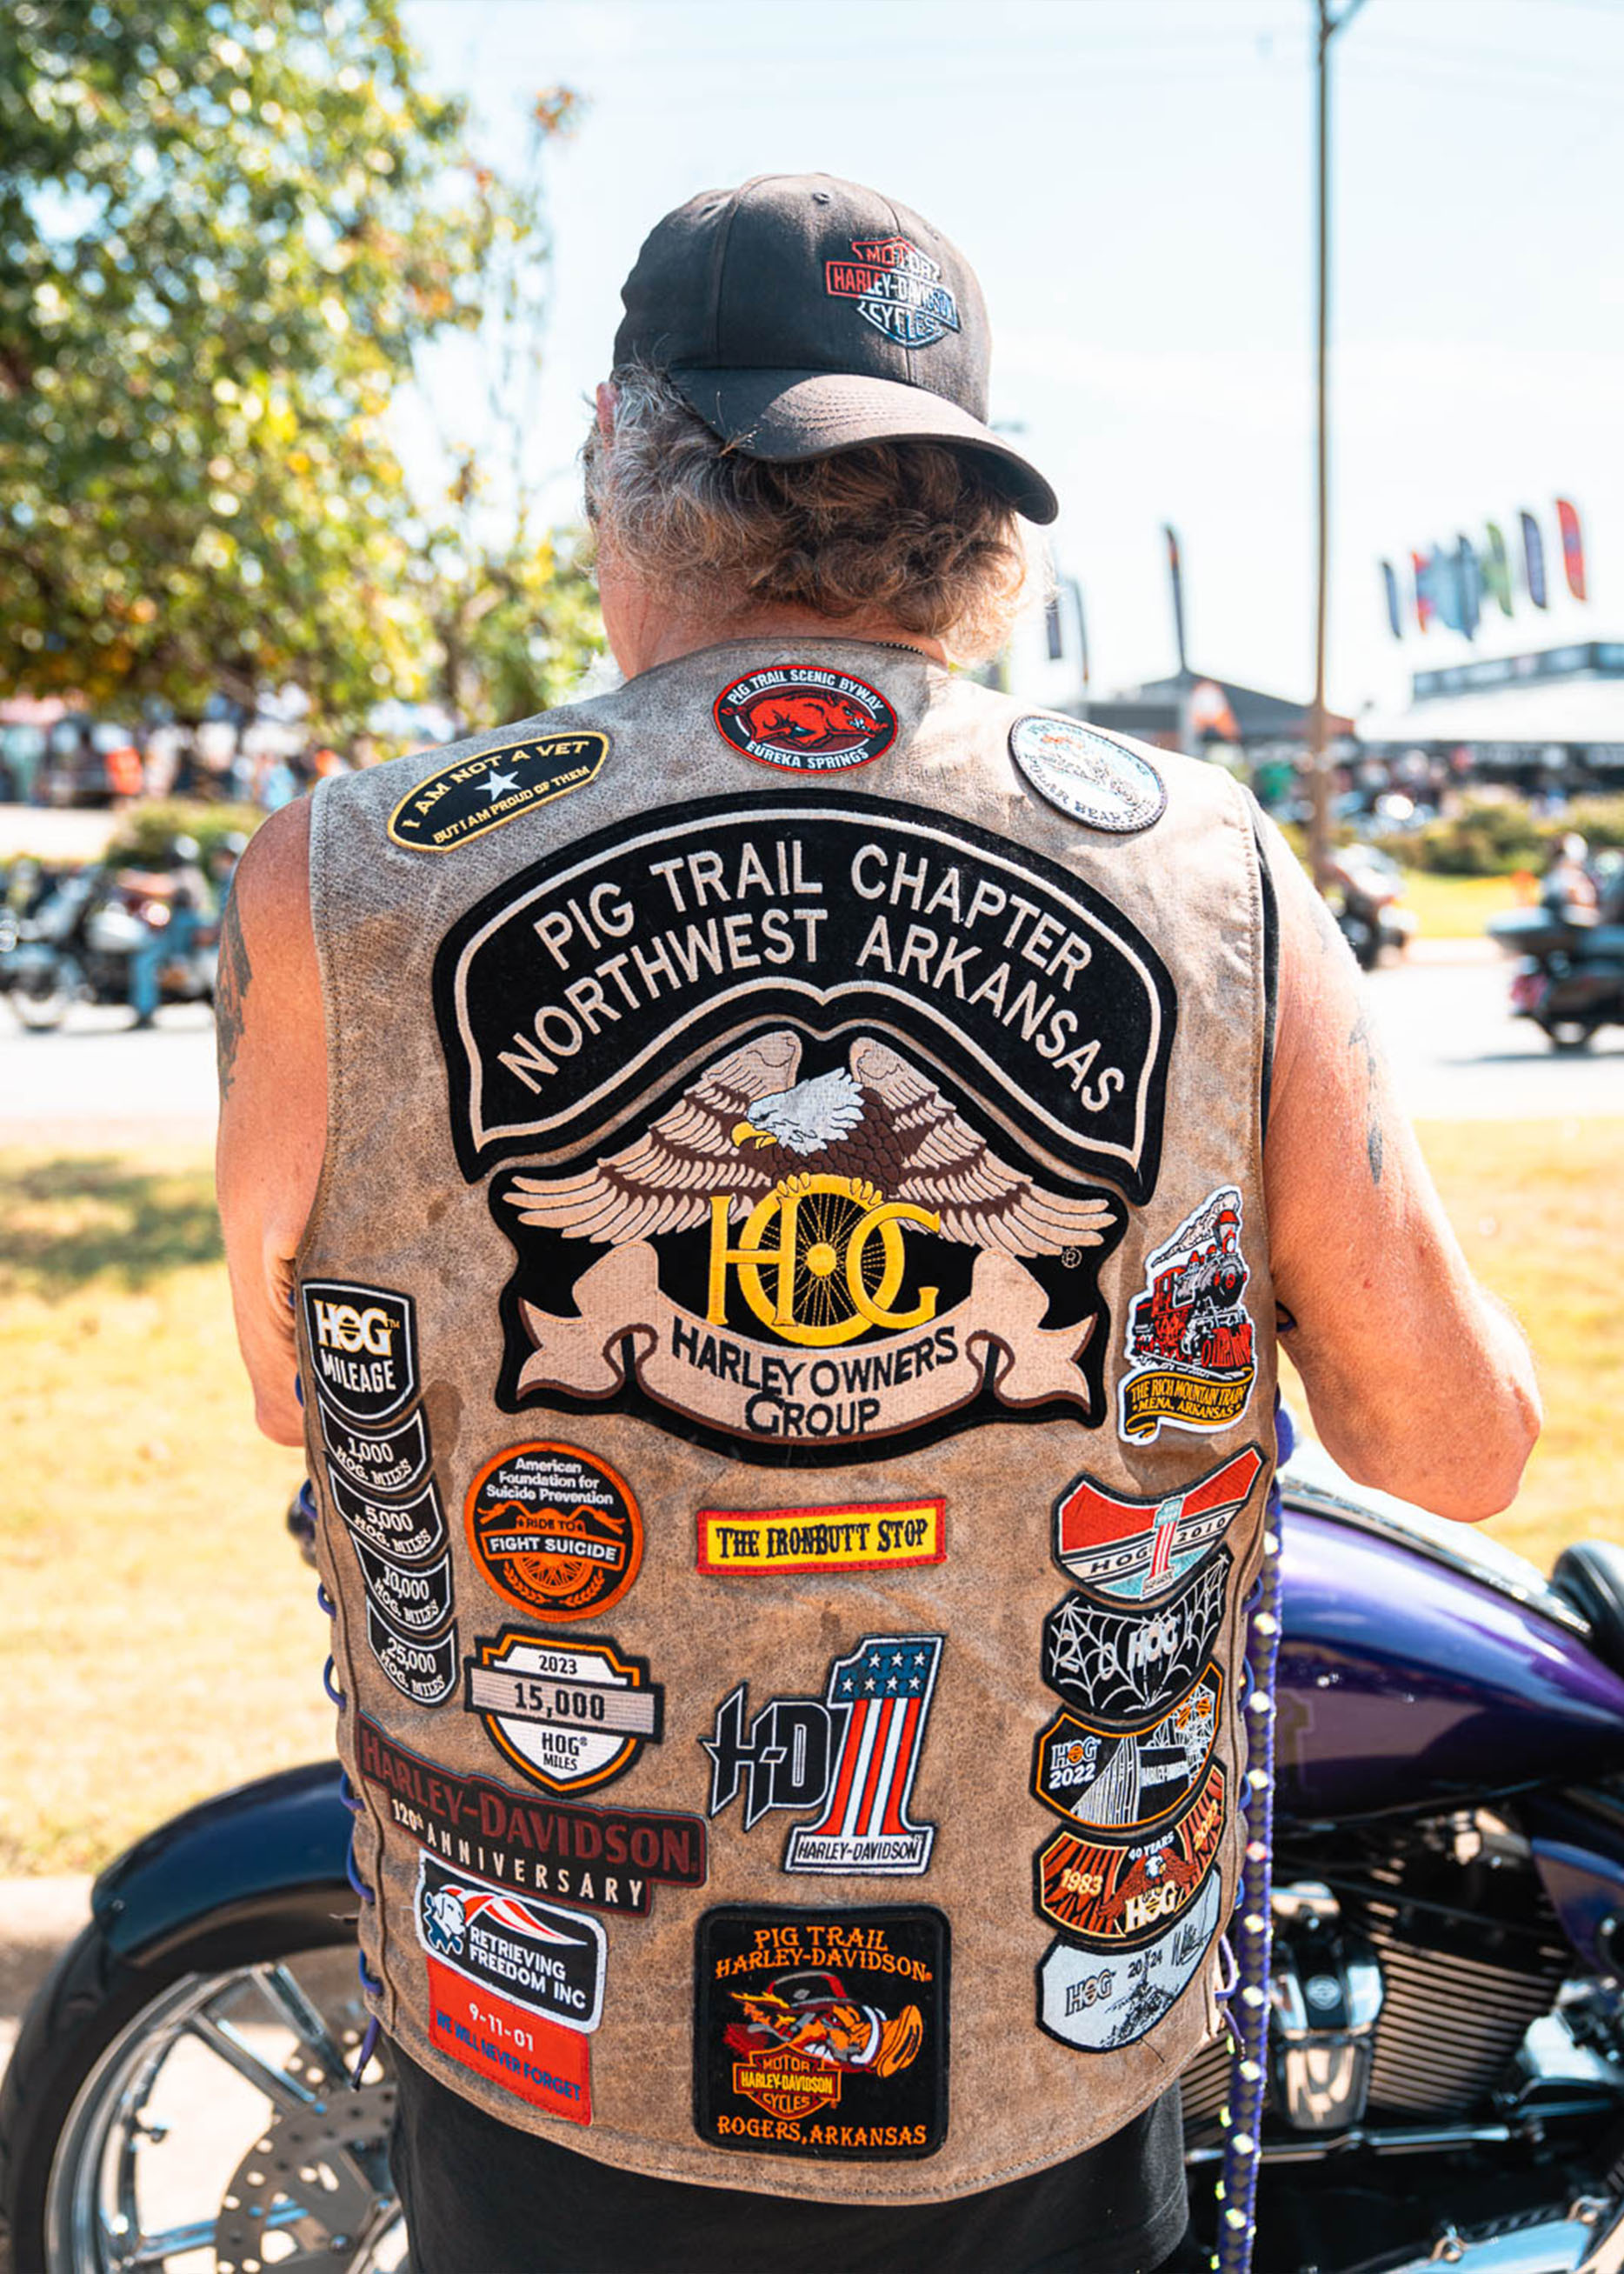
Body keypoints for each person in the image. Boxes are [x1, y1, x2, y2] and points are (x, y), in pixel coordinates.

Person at [217, 175, 1539, 2274]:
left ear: (612, 458)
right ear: (975, 529)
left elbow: (303, 1398)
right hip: (1042, 2042)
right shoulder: (1216, 872)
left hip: (544, 2023)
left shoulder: (340, 878)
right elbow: (1449, 1447)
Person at [126, 832, 207, 1028]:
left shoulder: (186, 875)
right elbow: (160, 882)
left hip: (182, 931)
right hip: (182, 928)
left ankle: (145, 1011)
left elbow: (162, 887)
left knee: (145, 962)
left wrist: (131, 883)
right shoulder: (192, 874)